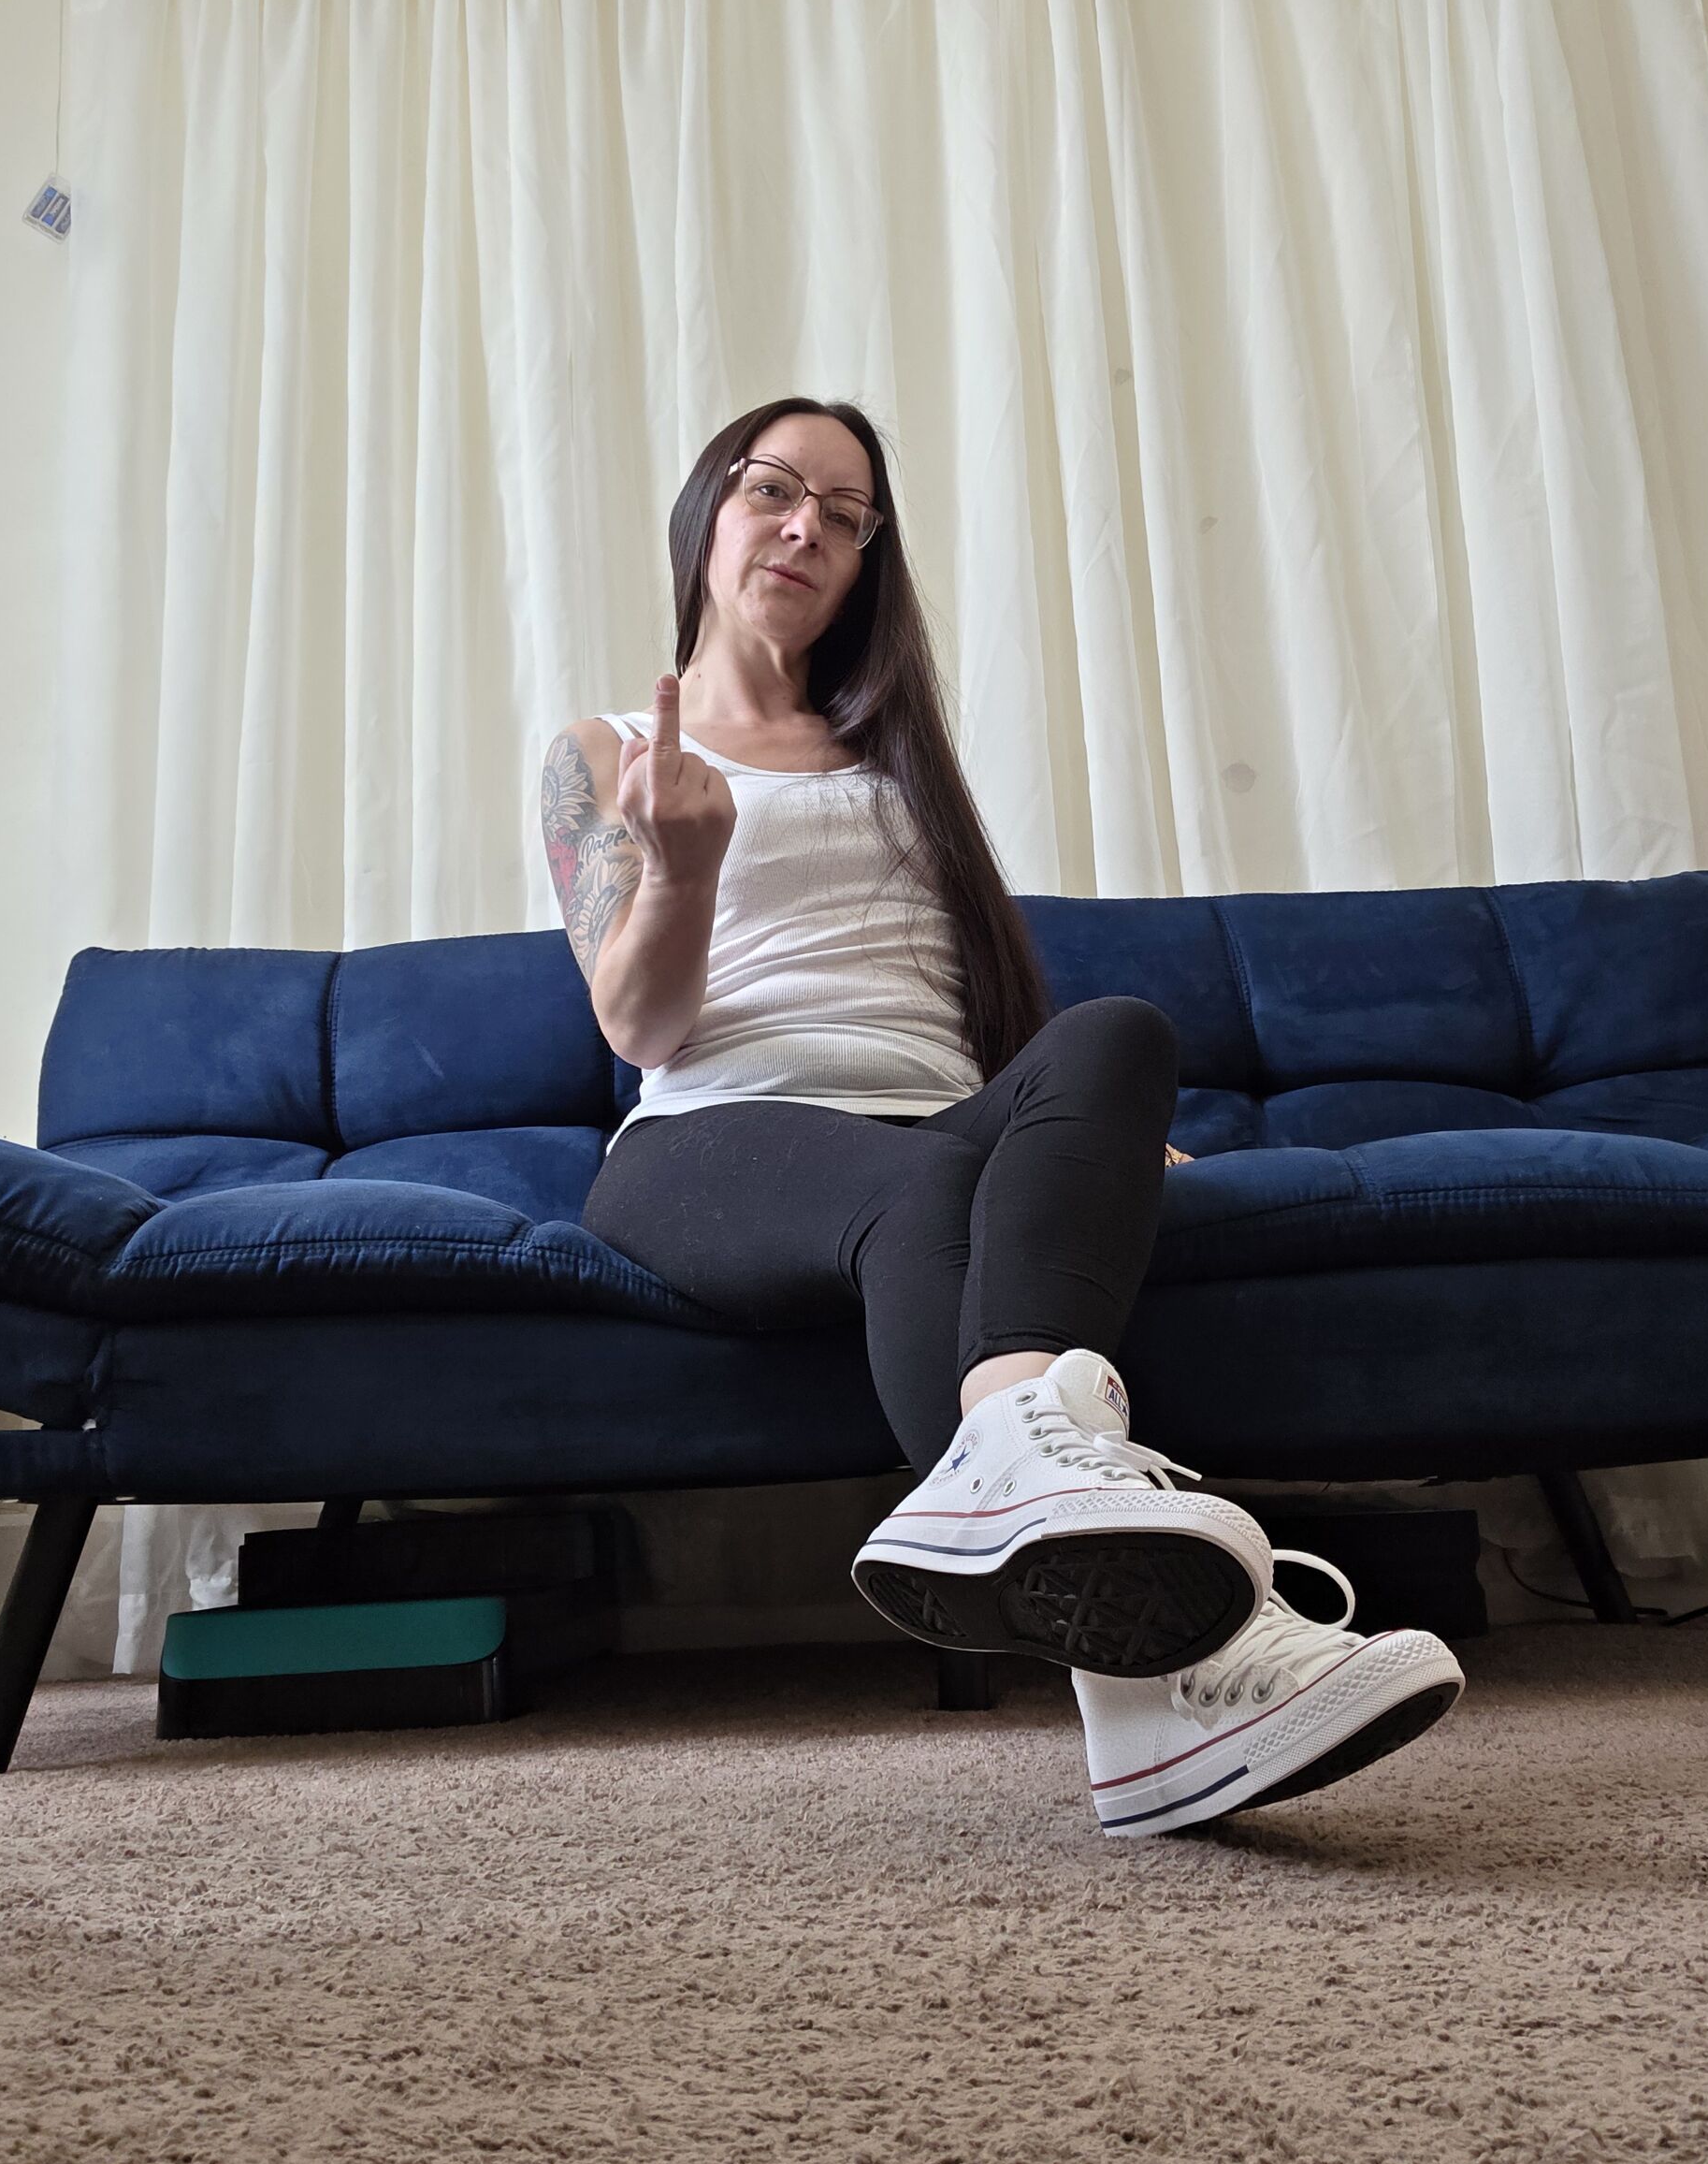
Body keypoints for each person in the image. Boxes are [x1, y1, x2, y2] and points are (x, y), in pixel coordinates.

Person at [541, 397, 1465, 1838]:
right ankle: (1186, 1655)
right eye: (774, 490)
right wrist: (683, 869)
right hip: (711, 1142)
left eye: (846, 516)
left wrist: (1085, 1137)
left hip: (937, 1127)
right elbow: (638, 1030)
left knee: (1120, 1033)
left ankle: (1074, 1573)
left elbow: (974, 1005)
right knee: (920, 1191)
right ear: (707, 510)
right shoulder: (604, 753)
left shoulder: (895, 754)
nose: (806, 528)